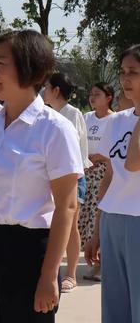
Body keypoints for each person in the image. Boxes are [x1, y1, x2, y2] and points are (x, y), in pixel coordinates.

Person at [0, 30, 83, 323]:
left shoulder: (54, 129)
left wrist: (50, 275)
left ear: (30, 67)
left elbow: (66, 206)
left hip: (29, 254)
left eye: (2, 64)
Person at [85, 44, 140, 323]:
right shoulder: (116, 122)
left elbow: (133, 163)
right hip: (113, 219)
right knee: (115, 306)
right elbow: (109, 177)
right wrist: (96, 229)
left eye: (134, 72)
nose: (125, 79)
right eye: (123, 72)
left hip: (138, 220)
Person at [43, 72, 89, 293]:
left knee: (70, 226)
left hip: (73, 177)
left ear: (56, 91)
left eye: (46, 87)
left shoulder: (74, 114)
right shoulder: (47, 114)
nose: (43, 91)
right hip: (50, 179)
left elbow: (77, 152)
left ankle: (70, 274)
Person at [80, 83, 115, 282]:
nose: (92, 98)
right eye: (91, 94)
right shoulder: (86, 118)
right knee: (86, 217)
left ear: (108, 97)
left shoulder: (115, 120)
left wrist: (99, 157)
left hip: (103, 172)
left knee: (97, 215)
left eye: (97, 94)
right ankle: (93, 259)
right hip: (86, 170)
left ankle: (102, 264)